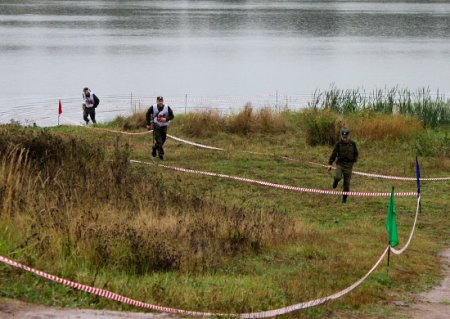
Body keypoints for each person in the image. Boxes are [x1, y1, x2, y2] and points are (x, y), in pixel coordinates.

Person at [327, 128, 359, 203]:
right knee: (338, 176)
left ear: (349, 136)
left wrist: (354, 160)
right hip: (340, 164)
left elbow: (356, 153)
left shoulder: (353, 144)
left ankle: (344, 200)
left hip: (349, 166)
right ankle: (335, 181)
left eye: (346, 137)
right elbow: (334, 154)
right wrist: (330, 164)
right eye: (343, 137)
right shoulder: (338, 144)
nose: (344, 139)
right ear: (341, 136)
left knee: (347, 185)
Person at [146, 96, 174, 160]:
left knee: (162, 141)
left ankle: (154, 148)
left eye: (161, 101)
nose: (160, 102)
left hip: (164, 127)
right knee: (159, 141)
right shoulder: (153, 107)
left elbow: (172, 116)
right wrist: (148, 123)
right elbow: (147, 114)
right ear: (157, 101)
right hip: (156, 126)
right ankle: (161, 155)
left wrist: (166, 119)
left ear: (163, 101)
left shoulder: (167, 107)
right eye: (159, 101)